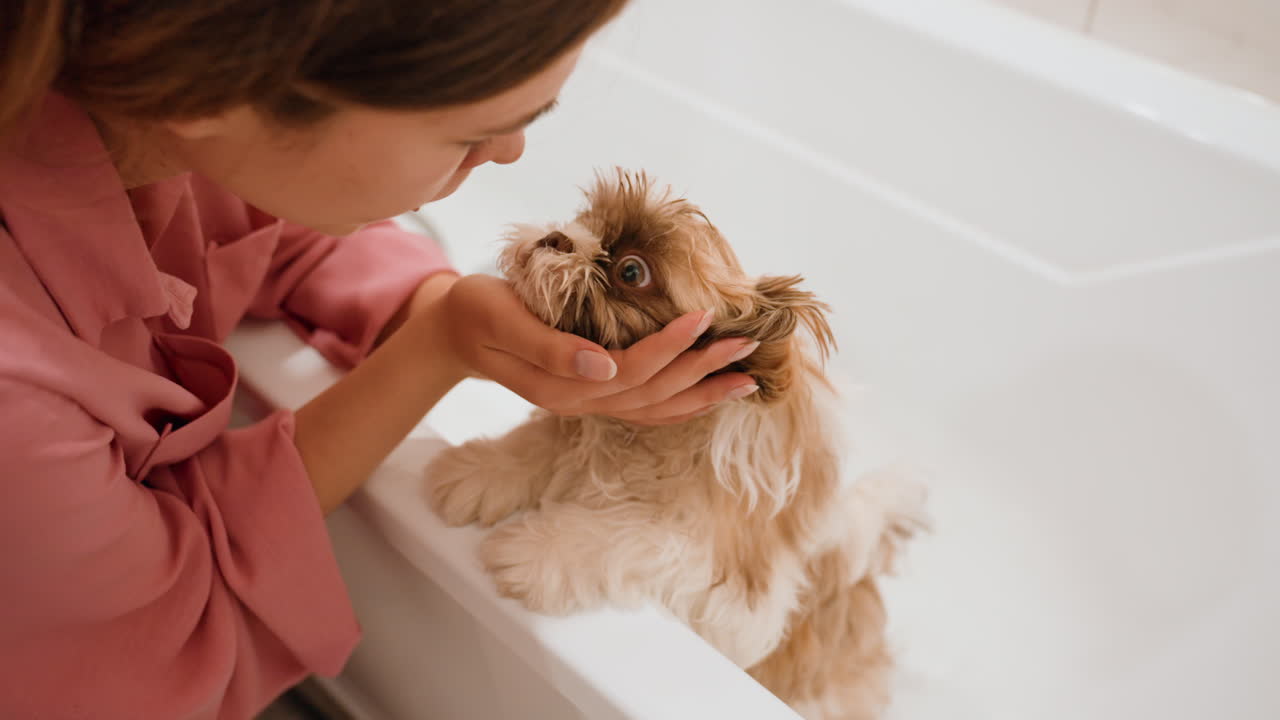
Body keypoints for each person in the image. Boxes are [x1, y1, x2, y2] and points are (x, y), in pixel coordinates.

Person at [0, 1, 761, 717]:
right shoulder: (16, 403)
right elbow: (153, 650)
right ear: (215, 88)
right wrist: (436, 350)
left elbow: (273, 229)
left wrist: (434, 304)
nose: (511, 153)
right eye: (469, 135)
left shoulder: (132, 108)